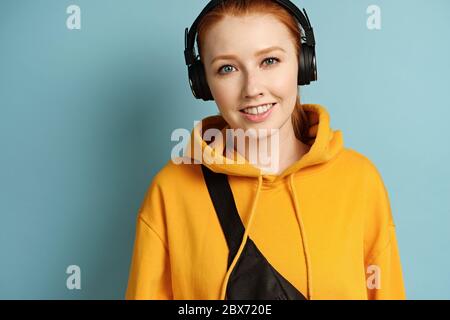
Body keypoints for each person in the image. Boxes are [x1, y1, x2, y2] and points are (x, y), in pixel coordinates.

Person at [125, 0, 406, 300]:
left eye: (269, 60)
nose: (252, 88)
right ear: (202, 83)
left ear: (303, 63)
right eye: (227, 68)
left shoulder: (359, 181)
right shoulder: (171, 191)